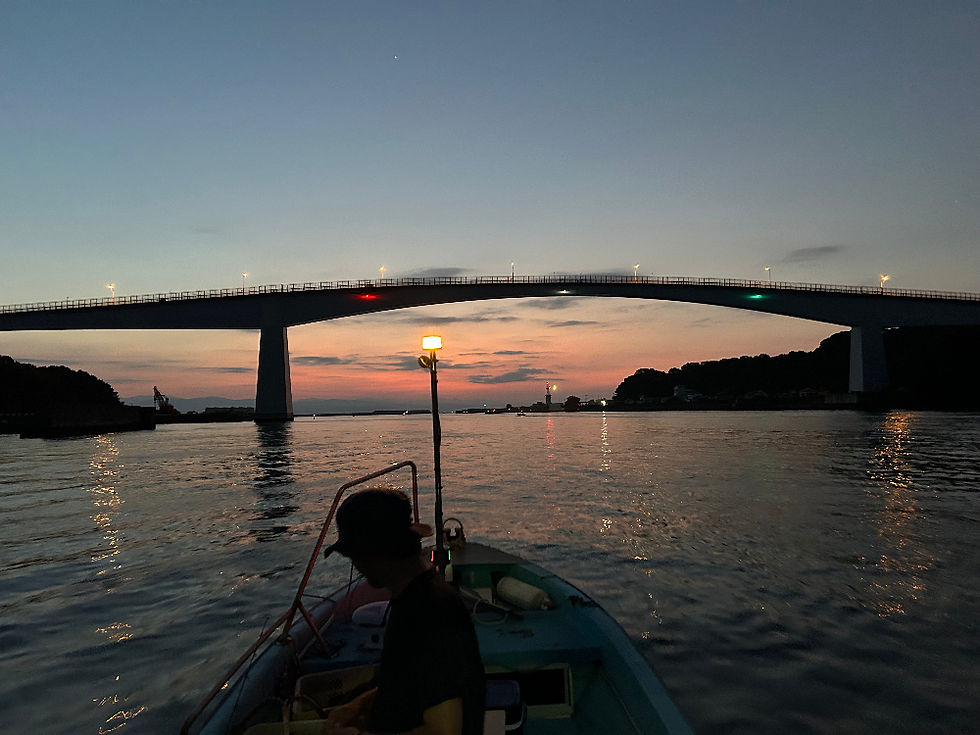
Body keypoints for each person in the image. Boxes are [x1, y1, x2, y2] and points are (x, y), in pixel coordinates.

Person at [324, 488, 485, 735]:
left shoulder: (429, 614)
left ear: (373, 554)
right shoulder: (415, 600)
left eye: (353, 555)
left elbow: (445, 731)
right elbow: (415, 682)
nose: (355, 565)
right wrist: (360, 704)